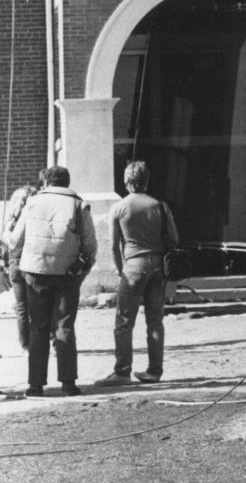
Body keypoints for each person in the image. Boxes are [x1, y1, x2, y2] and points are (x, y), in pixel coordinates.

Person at [8, 164, 97, 398]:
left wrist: (5, 229)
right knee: (64, 326)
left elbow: (14, 241)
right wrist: (82, 270)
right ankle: (68, 383)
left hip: (35, 274)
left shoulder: (32, 202)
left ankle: (35, 386)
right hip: (67, 274)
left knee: (38, 328)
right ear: (67, 182)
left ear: (46, 183)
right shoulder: (79, 204)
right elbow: (90, 246)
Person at [95, 160, 177, 386]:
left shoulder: (119, 207)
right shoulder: (160, 205)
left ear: (125, 181)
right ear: (147, 180)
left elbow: (113, 245)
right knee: (155, 321)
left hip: (133, 265)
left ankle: (122, 371)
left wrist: (120, 270)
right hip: (159, 265)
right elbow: (174, 239)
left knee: (124, 321)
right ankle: (154, 371)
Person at [3, 183, 38, 353]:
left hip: (16, 265)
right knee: (39, 305)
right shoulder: (34, 217)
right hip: (33, 264)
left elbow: (7, 242)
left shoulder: (10, 220)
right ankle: (47, 340)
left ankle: (26, 346)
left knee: (21, 307)